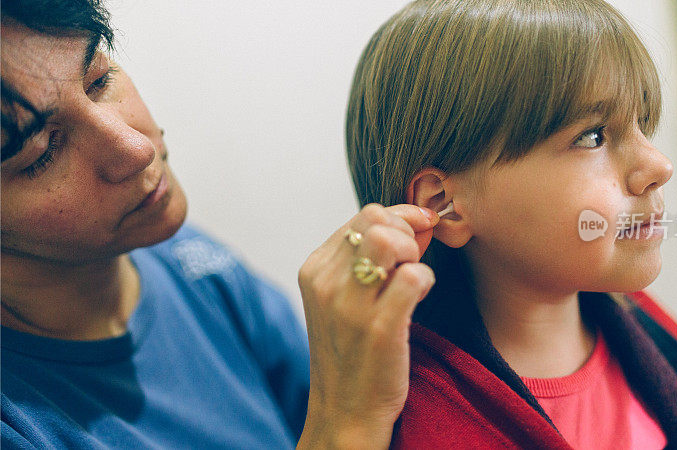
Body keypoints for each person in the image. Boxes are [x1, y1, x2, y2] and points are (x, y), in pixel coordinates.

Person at [1, 1, 438, 448]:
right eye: (43, 152)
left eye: (98, 80)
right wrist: (346, 420)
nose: (135, 149)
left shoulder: (191, 263)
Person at [344, 0, 677, 448]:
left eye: (643, 123)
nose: (658, 165)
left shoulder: (651, 333)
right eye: (592, 136)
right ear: (445, 204)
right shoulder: (429, 425)